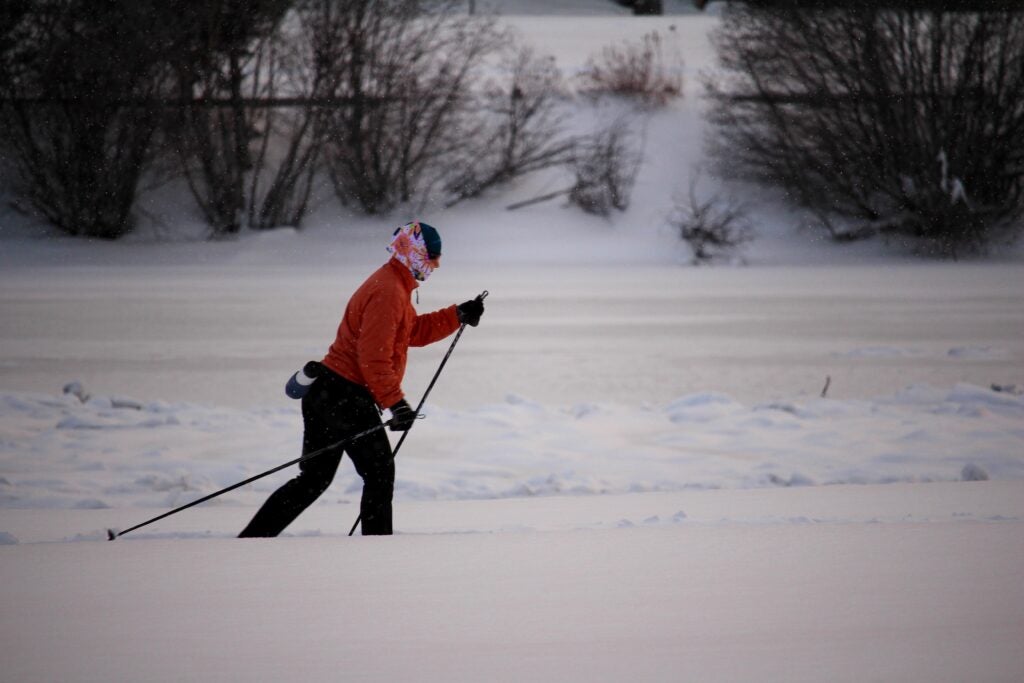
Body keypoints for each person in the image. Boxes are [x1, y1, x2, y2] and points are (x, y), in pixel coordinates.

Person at [239, 221, 484, 537]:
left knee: (314, 479)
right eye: (432, 256)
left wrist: (456, 315)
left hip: (327, 392)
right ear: (412, 252)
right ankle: (376, 550)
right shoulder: (388, 292)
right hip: (345, 396)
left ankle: (252, 539)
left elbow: (410, 332)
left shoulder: (395, 285)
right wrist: (396, 403)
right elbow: (374, 358)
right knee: (379, 473)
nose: (436, 264)